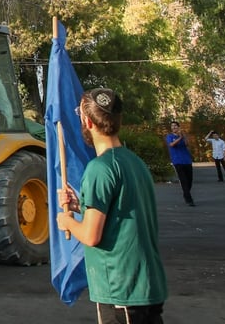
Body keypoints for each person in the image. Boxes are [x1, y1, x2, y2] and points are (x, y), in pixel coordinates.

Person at [56, 88, 167, 323]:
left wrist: (67, 221)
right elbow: (122, 213)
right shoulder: (135, 162)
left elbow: (91, 235)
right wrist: (80, 207)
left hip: (121, 288)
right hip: (148, 284)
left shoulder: (100, 168)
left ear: (87, 121)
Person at [164, 121, 195, 206]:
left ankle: (186, 194)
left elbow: (187, 144)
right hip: (177, 161)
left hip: (187, 160)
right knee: (183, 180)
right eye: (172, 126)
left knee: (189, 180)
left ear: (178, 127)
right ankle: (189, 200)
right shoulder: (169, 136)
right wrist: (179, 138)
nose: (174, 127)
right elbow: (171, 145)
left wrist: (183, 136)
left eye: (175, 126)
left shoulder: (182, 136)